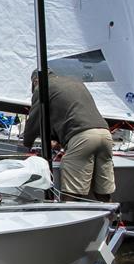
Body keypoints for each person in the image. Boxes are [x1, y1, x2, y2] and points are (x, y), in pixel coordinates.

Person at [22, 70, 115, 202]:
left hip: (82, 137)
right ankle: (114, 220)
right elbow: (71, 113)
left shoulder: (43, 87)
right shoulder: (74, 81)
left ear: (36, 81)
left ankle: (69, 218)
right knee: (103, 192)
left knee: (72, 192)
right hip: (105, 134)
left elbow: (34, 120)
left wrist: (26, 145)